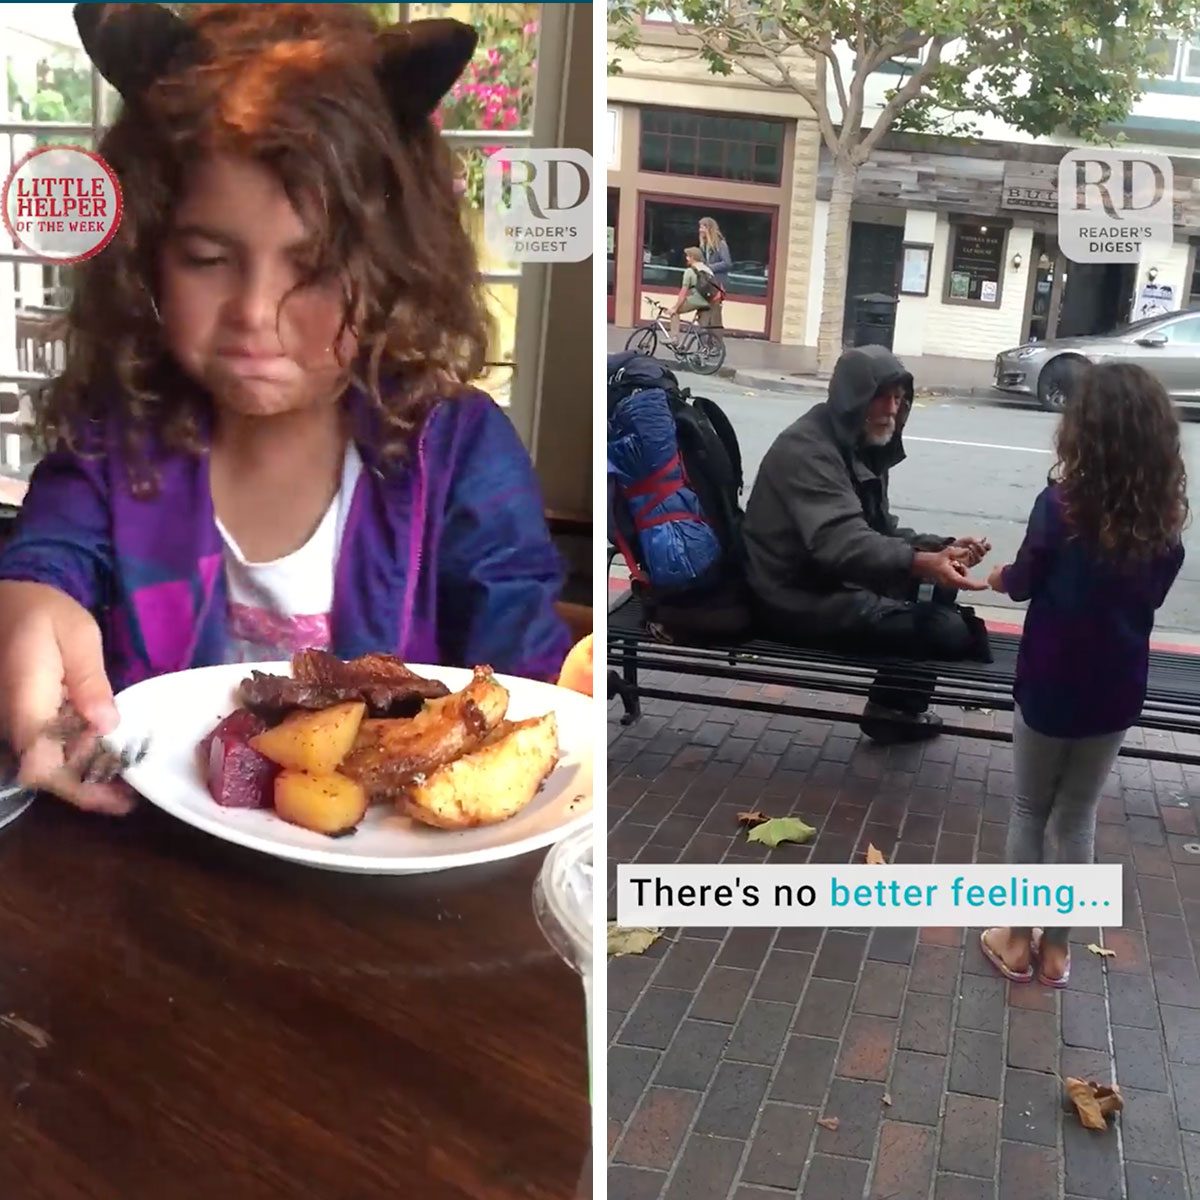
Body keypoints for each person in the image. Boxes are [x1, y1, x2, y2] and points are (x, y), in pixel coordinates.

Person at [0, 4, 581, 815]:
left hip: (389, 905)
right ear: (147, 257)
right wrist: (26, 599)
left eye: (311, 268)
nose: (255, 313)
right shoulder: (114, 438)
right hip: (152, 861)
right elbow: (48, 560)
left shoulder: (460, 454)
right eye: (208, 258)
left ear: (391, 268)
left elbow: (531, 692)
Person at [980, 363, 1186, 988]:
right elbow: (1147, 599)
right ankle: (1059, 952)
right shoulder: (1164, 521)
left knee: (1027, 807)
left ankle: (1016, 939)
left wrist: (997, 579)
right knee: (1078, 816)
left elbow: (1024, 581)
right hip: (1115, 687)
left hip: (1048, 681)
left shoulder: (1060, 505)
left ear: (1084, 432)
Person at [742, 344, 991, 744]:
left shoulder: (859, 441)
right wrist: (923, 562)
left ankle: (894, 709)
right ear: (852, 399)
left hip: (832, 582)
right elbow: (842, 543)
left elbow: (878, 530)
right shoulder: (807, 450)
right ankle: (893, 711)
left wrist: (941, 548)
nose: (892, 409)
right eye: (881, 397)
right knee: (945, 630)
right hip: (793, 597)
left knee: (940, 591)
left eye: (898, 398)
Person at [668, 246, 716, 340]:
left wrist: (675, 308)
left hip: (698, 300)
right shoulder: (708, 270)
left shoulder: (689, 271)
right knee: (703, 327)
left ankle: (674, 338)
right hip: (709, 301)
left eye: (688, 256)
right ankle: (707, 348)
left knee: (675, 313)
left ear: (693, 257)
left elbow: (683, 293)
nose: (686, 258)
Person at [698, 216, 731, 336]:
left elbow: (727, 263)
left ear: (709, 228)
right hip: (707, 284)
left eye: (702, 227)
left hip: (717, 284)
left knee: (715, 316)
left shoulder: (720, 244)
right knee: (704, 314)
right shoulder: (704, 245)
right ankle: (705, 344)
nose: (700, 230)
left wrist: (709, 267)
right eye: (700, 227)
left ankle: (717, 346)